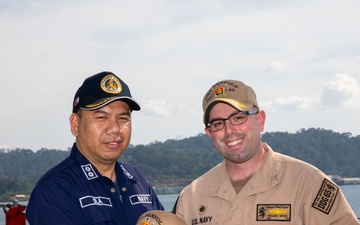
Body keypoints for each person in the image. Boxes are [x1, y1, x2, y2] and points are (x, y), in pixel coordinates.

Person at [174, 79, 359, 224]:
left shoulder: (308, 183)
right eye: (218, 123)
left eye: (238, 117)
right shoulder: (191, 197)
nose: (229, 130)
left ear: (260, 120)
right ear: (209, 133)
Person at [26, 71, 164, 225]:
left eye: (123, 118)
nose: (115, 128)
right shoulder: (55, 188)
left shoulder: (137, 180)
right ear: (75, 124)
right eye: (102, 118)